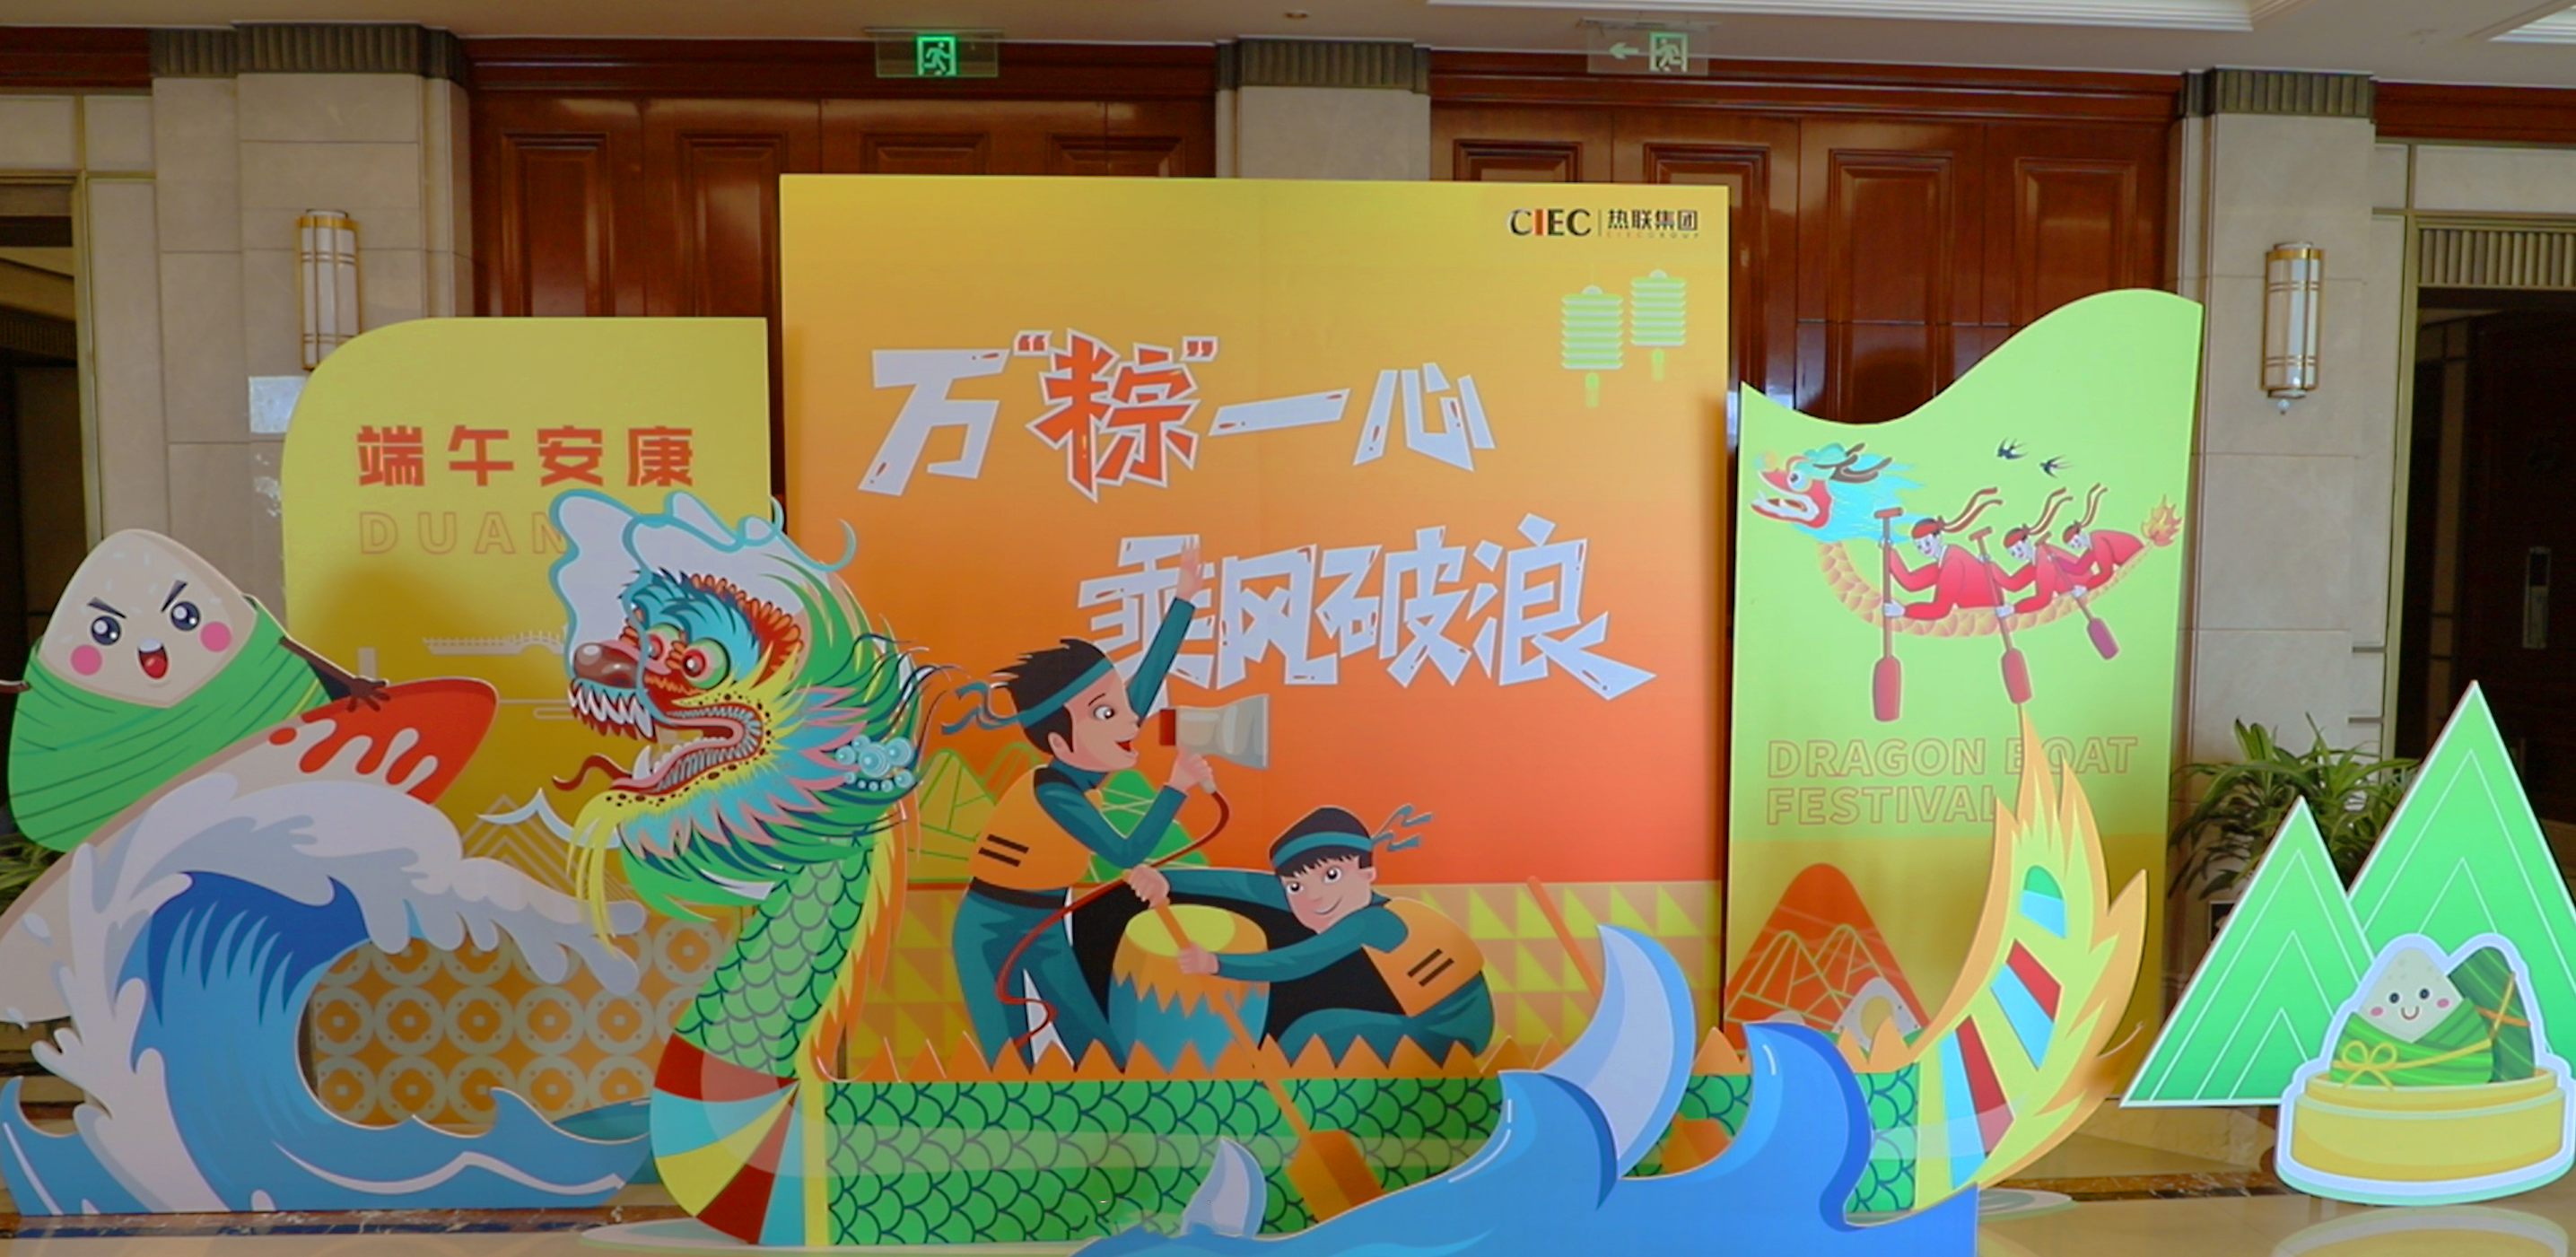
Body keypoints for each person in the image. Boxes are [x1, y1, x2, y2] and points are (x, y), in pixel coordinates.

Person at [950, 544, 1213, 1067]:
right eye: (1106, 712)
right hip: (987, 925)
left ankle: (1115, 1112)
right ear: (1059, 743)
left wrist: (1184, 599)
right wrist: (1176, 787)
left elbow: (1148, 681)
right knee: (1009, 1056)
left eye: (1117, 704)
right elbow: (1126, 852)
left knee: (1091, 1041)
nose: (1130, 719)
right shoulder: (1055, 793)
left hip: (1045, 918)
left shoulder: (1086, 760)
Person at [1132, 806, 1492, 1063]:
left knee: (1314, 1031)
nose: (1314, 896)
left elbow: (1298, 960)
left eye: (1331, 876)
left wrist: (1216, 963)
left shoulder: (1372, 921)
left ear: (1367, 872)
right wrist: (1168, 880)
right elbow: (1249, 886)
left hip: (1449, 1031)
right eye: (1295, 886)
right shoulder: (1341, 903)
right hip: (1421, 1018)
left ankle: (1282, 1102)